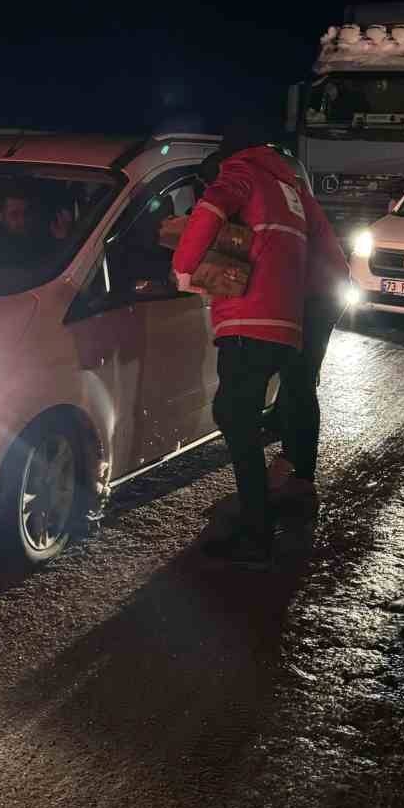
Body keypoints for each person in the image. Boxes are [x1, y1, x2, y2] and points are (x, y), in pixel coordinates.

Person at [173, 120, 311, 569]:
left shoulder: (241, 172)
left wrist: (183, 267)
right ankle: (258, 517)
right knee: (242, 414)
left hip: (250, 318)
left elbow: (211, 209)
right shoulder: (285, 186)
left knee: (233, 414)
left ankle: (256, 533)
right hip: (285, 321)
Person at [268, 197, 349, 514]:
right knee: (297, 377)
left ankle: (301, 472)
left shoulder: (270, 194)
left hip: (316, 293)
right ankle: (294, 458)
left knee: (299, 378)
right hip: (316, 289)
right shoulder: (287, 189)